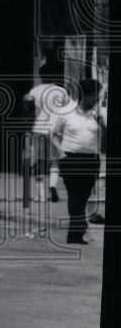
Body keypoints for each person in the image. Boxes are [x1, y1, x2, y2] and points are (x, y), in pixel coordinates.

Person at [51, 78, 106, 244]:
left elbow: (106, 141)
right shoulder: (66, 112)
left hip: (91, 160)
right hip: (71, 157)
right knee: (74, 195)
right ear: (84, 95)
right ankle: (78, 229)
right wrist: (61, 154)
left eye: (98, 96)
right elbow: (54, 135)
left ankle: (75, 234)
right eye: (94, 96)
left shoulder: (100, 115)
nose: (96, 100)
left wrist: (102, 125)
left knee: (83, 196)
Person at [23, 67, 66, 203]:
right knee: (54, 160)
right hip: (56, 130)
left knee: (39, 162)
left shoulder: (34, 91)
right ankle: (52, 185)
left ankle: (40, 195)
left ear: (40, 75)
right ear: (54, 76)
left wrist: (27, 129)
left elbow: (29, 113)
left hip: (39, 129)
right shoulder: (61, 91)